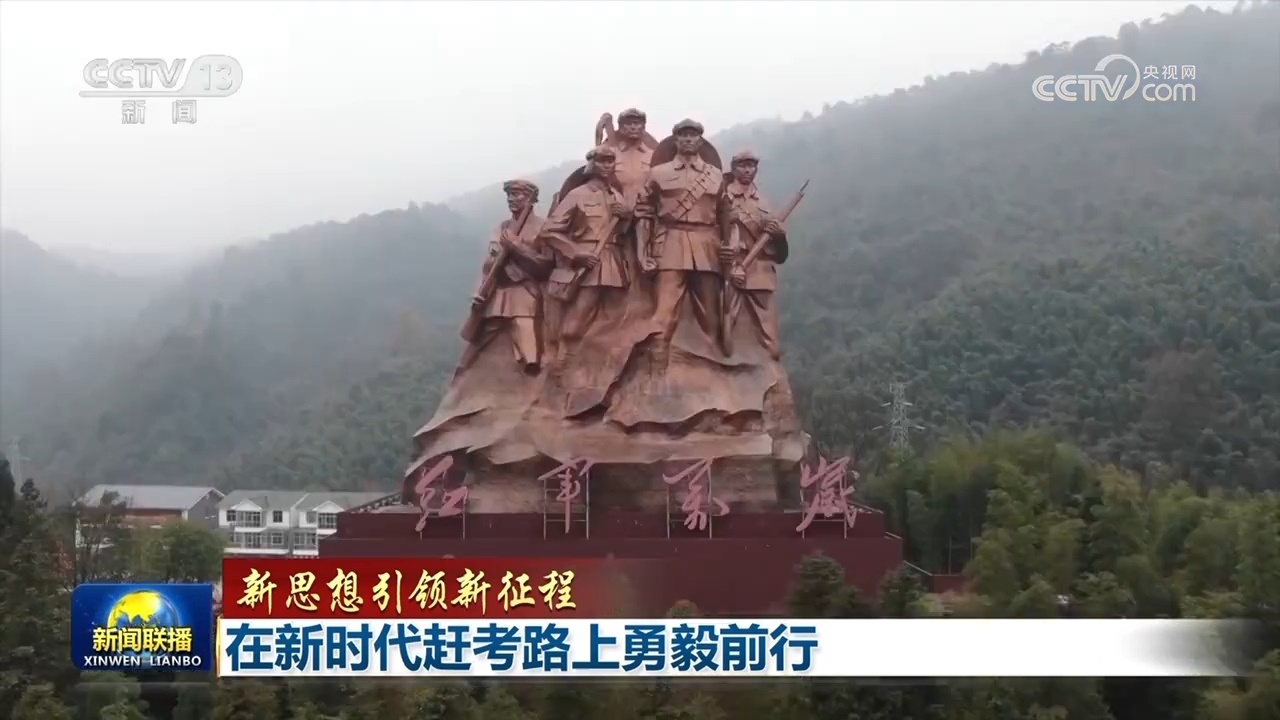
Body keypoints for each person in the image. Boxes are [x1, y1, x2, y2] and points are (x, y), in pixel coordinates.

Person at [638, 119, 726, 360]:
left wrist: (730, 249)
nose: (688, 139)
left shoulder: (715, 176)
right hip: (670, 243)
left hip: (707, 246)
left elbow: (726, 215)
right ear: (675, 140)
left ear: (700, 140)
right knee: (664, 312)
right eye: (683, 135)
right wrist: (643, 254)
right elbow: (644, 215)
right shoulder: (658, 173)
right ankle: (656, 366)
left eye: (693, 135)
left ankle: (712, 365)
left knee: (710, 315)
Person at [537, 145, 631, 361]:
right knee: (578, 318)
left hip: (614, 262)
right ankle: (564, 362)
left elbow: (624, 233)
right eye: (601, 161)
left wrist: (627, 216)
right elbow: (548, 231)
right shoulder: (577, 195)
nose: (606, 166)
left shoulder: (617, 196)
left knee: (616, 318)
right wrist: (576, 253)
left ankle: (598, 362)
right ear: (591, 165)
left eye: (610, 161)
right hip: (588, 262)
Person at [459, 179, 552, 372]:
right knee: (476, 343)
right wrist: (479, 291)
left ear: (530, 199)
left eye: (517, 194)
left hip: (525, 291)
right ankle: (462, 375)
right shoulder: (501, 228)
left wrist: (516, 247)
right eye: (509, 195)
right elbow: (489, 264)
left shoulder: (543, 227)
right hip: (499, 292)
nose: (511, 199)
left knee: (530, 353)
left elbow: (546, 266)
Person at [719, 151, 788, 359]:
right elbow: (712, 235)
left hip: (760, 272)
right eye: (742, 166)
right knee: (726, 333)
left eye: (751, 166)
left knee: (770, 340)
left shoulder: (763, 203)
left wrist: (779, 236)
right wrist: (730, 266)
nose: (747, 170)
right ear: (733, 169)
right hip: (731, 268)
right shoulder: (723, 198)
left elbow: (779, 254)